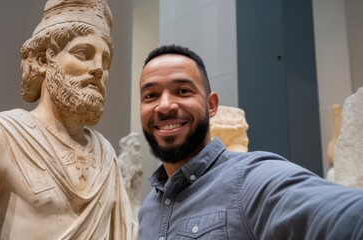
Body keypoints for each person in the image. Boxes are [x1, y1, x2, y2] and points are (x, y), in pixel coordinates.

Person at [0, 0, 136, 239]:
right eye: (83, 53)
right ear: (43, 61)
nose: (98, 69)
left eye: (105, 61)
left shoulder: (106, 155)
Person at [138, 44, 363, 239]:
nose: (165, 105)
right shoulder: (149, 207)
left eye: (183, 91)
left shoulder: (250, 180)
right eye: (151, 95)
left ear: (211, 105)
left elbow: (350, 216)